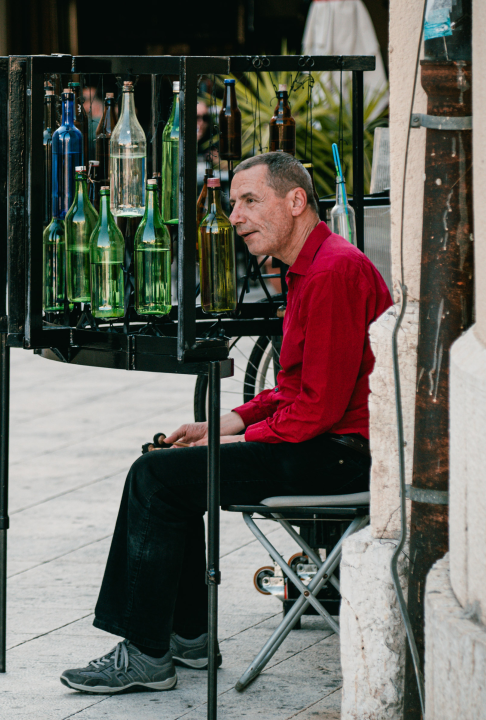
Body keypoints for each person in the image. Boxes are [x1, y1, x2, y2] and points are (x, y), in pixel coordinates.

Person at [58, 152, 392, 694]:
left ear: (296, 201)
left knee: (155, 478)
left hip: (342, 454)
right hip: (325, 443)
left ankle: (146, 652)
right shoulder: (312, 267)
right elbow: (294, 391)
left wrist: (227, 439)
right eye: (234, 202)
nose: (234, 216)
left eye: (249, 201)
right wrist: (226, 422)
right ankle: (187, 636)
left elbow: (317, 410)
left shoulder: (333, 271)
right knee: (167, 467)